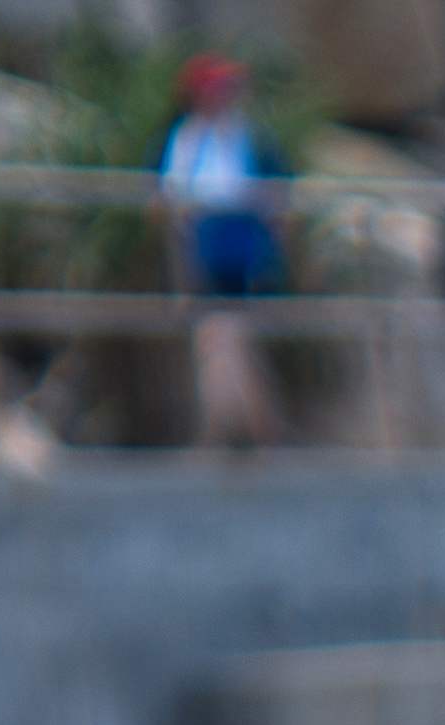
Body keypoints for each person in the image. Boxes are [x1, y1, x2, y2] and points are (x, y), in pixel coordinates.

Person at [156, 54, 286, 454]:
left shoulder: (251, 137)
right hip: (204, 242)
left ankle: (242, 429)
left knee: (234, 334)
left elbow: (277, 189)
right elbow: (170, 193)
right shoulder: (187, 138)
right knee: (218, 335)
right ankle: (241, 428)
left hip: (243, 244)